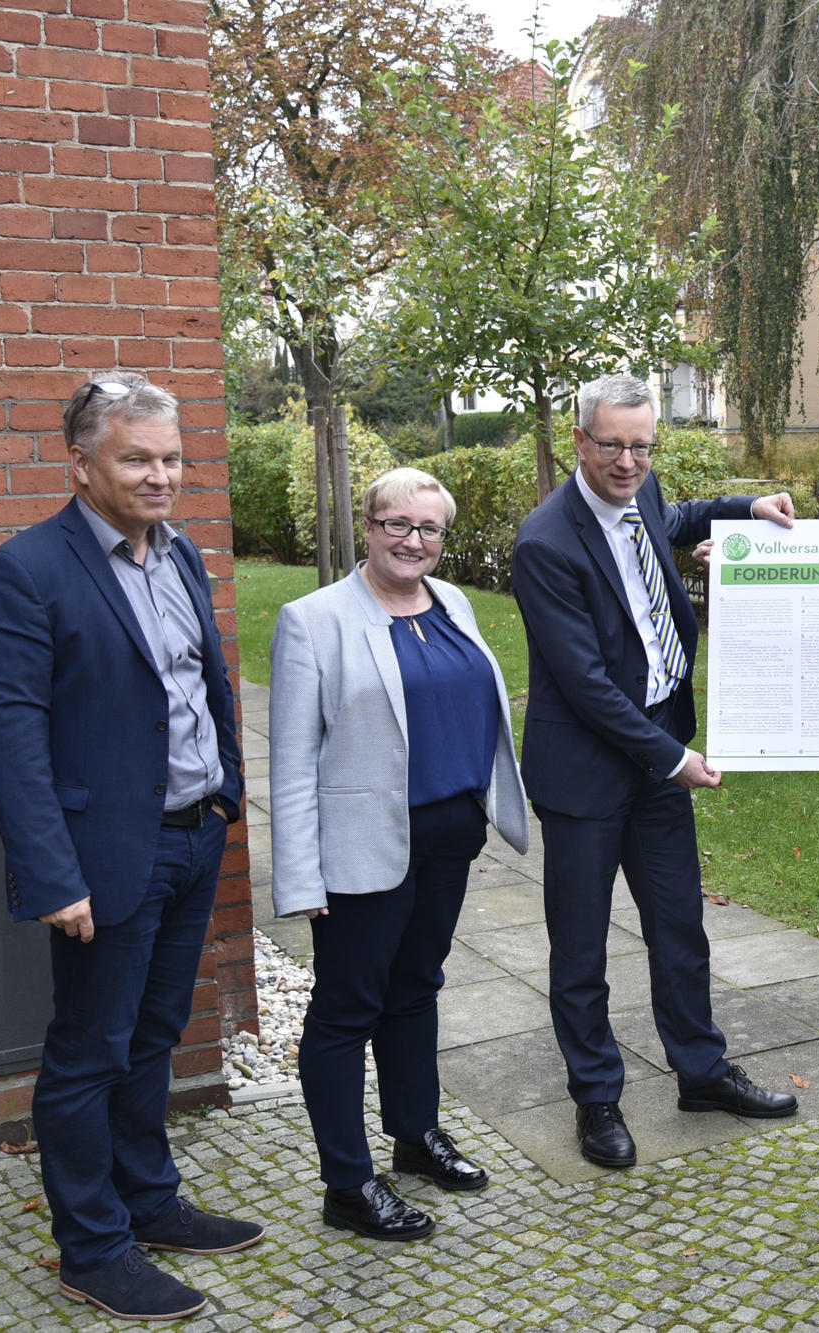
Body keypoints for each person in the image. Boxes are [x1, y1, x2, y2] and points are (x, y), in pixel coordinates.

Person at [0, 374, 259, 1322]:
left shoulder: (179, 556)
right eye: (137, 457)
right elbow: (11, 742)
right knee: (89, 1051)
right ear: (81, 461)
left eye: (172, 457)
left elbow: (201, 680)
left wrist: (227, 797)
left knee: (155, 1035)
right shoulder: (25, 571)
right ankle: (92, 1247)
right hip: (103, 861)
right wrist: (54, 875)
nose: (161, 474)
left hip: (191, 839)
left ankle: (150, 1198)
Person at [512, 374, 800, 1171]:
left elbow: (672, 520)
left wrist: (748, 508)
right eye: (614, 446)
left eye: (643, 445)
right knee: (580, 948)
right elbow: (586, 686)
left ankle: (701, 1073)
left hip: (658, 759)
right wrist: (674, 758)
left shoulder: (640, 490)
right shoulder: (545, 543)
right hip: (587, 772)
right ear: (579, 441)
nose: (630, 461)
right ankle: (596, 1096)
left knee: (679, 925)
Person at [269, 467, 532, 1240]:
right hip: (360, 846)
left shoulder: (449, 603)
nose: (413, 541)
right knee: (347, 1008)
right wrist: (299, 876)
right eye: (397, 524)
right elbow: (291, 759)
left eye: (429, 529)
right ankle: (348, 1182)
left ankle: (415, 1137)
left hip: (449, 833)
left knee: (416, 986)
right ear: (369, 525)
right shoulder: (311, 619)